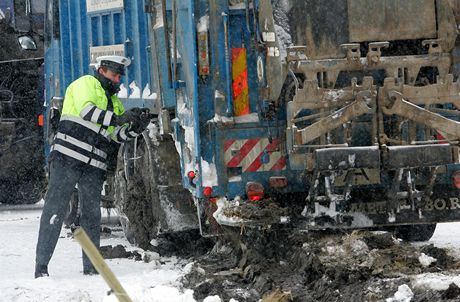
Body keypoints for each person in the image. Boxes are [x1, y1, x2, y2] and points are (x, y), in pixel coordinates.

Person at [35, 55, 151, 278]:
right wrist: (121, 118)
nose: (117, 80)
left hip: (93, 166)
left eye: (119, 76)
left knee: (91, 217)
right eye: (114, 74)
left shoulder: (114, 103)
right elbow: (89, 113)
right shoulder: (85, 84)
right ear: (101, 70)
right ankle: (41, 267)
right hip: (67, 159)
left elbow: (116, 136)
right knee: (55, 211)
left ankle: (91, 267)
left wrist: (136, 127)